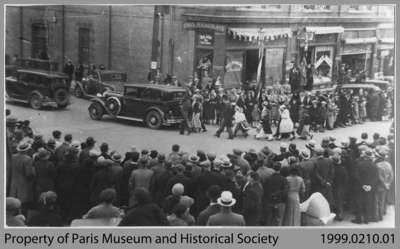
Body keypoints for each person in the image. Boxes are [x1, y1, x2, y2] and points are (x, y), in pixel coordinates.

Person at [352, 149, 379, 224]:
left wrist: (363, 185)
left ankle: (359, 219)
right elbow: (376, 177)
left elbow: (356, 176)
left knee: (359, 203)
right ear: (370, 156)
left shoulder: (359, 164)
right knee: (368, 203)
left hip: (360, 187)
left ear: (364, 156)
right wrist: (370, 186)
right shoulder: (374, 165)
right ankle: (367, 219)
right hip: (370, 188)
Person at [9, 142, 36, 217]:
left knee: (14, 202)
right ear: (26, 150)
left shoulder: (13, 157)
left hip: (14, 183)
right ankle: (23, 219)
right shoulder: (27, 159)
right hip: (24, 184)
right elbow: (29, 174)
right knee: (24, 204)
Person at [374, 146, 393, 221]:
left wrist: (384, 183)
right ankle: (382, 213)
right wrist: (388, 183)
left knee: (377, 202)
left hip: (379, 185)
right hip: (387, 186)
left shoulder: (378, 165)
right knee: (383, 201)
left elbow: (379, 177)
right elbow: (391, 176)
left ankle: (377, 216)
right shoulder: (389, 165)